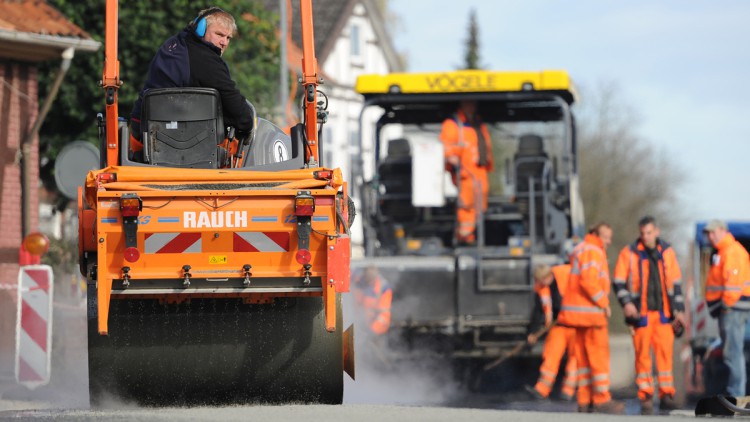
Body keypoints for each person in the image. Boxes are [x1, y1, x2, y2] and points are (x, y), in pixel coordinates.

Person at [129, 7, 254, 159]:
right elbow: (233, 102)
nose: (224, 43)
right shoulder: (207, 62)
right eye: (219, 34)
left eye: (228, 38)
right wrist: (247, 126)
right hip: (185, 143)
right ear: (201, 29)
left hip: (142, 134)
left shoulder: (172, 45)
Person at [613, 216, 685, 414]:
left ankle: (666, 394)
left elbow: (676, 283)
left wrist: (679, 311)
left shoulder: (667, 252)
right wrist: (627, 304)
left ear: (657, 231)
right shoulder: (629, 253)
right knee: (642, 357)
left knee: (664, 357)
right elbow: (618, 282)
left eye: (649, 232)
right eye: (643, 233)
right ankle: (645, 396)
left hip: (664, 314)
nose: (645, 236)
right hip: (641, 314)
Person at [557, 222, 624, 413]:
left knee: (583, 361)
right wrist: (604, 303)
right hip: (592, 315)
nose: (609, 241)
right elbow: (588, 280)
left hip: (578, 316)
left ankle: (585, 401)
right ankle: (602, 399)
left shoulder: (580, 249)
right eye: (606, 237)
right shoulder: (593, 251)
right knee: (599, 358)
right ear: (596, 234)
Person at [703, 219, 750, 397]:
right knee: (732, 352)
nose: (710, 237)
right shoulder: (723, 252)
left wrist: (726, 305)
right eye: (708, 233)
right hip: (730, 308)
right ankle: (735, 394)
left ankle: (736, 394)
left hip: (733, 309)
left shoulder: (732, 251)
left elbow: (733, 284)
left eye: (713, 232)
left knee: (733, 352)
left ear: (723, 230)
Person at [439, 100, 494, 245]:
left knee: (479, 206)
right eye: (468, 104)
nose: (472, 106)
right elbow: (446, 146)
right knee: (466, 205)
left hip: (479, 171)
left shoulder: (478, 124)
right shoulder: (453, 124)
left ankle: (474, 234)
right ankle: (465, 237)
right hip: (465, 174)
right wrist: (452, 158)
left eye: (473, 104)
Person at [526, 263, 577, 401]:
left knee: (575, 358)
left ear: (546, 277)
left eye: (539, 280)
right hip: (557, 326)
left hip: (576, 324)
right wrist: (533, 331)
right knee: (550, 356)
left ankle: (568, 391)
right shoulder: (542, 288)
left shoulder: (566, 274)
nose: (537, 284)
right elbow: (537, 311)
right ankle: (541, 390)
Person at [352, 267, 393, 335]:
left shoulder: (384, 288)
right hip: (364, 324)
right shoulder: (360, 283)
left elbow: (383, 309)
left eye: (371, 280)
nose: (369, 282)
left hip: (378, 326)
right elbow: (357, 303)